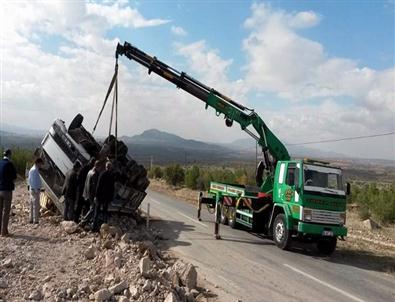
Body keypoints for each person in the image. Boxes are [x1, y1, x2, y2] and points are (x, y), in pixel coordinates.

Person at [92, 161, 115, 232]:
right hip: (106, 198)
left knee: (97, 212)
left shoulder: (102, 174)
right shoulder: (112, 175)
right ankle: (104, 229)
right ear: (110, 168)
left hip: (100, 197)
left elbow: (98, 186)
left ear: (106, 167)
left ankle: (94, 227)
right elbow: (112, 188)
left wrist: (96, 196)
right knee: (105, 212)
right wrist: (111, 198)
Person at [0, 149, 17, 237]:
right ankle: (4, 232)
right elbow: (14, 177)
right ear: (9, 155)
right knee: (6, 211)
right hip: (7, 190)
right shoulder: (10, 164)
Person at [80, 160, 102, 226]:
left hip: (86, 192)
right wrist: (96, 195)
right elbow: (94, 186)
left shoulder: (90, 171)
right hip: (91, 194)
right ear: (98, 166)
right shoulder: (95, 174)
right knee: (93, 208)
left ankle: (84, 220)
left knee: (88, 208)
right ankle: (83, 221)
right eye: (100, 167)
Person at [74, 158, 95, 222]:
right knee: (86, 206)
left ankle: (76, 219)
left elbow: (79, 178)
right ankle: (83, 221)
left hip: (81, 190)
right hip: (86, 191)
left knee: (79, 206)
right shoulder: (92, 170)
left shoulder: (84, 168)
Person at [27, 158, 44, 224]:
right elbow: (33, 181)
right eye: (40, 164)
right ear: (38, 163)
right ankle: (35, 220)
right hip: (34, 190)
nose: (41, 165)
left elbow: (30, 180)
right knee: (35, 206)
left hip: (33, 189)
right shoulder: (34, 170)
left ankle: (31, 219)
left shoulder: (33, 169)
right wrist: (37, 190)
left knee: (32, 205)